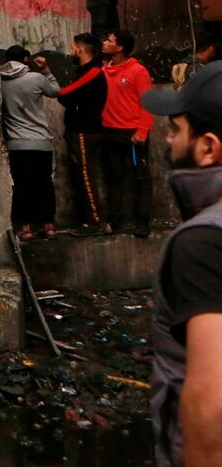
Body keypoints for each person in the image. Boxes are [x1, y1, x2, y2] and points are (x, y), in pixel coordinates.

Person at [139, 62, 222, 467]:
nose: (168, 140)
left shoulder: (203, 243)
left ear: (208, 147)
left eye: (175, 129)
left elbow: (214, 411)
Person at [0, 45, 61, 239]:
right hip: (40, 142)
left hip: (17, 143)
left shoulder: (0, 83)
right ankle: (48, 224)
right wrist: (45, 70)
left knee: (22, 184)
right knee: (44, 182)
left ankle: (25, 226)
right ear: (26, 59)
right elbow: (55, 91)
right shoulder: (36, 78)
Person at [101, 29, 153, 237]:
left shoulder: (138, 71)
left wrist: (142, 131)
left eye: (109, 41)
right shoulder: (105, 70)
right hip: (110, 132)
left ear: (120, 47)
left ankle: (143, 221)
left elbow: (148, 103)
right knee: (114, 177)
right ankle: (115, 220)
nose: (104, 43)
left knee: (140, 177)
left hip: (132, 134)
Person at [58, 33, 107, 232]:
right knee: (81, 177)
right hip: (81, 130)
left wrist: (65, 95)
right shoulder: (85, 71)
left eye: (74, 46)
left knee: (85, 176)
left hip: (84, 131)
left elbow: (65, 94)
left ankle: (94, 221)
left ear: (80, 48)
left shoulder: (93, 71)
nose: (72, 50)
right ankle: (88, 220)